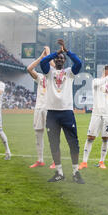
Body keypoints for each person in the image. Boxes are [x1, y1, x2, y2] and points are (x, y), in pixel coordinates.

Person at [40, 39, 84, 184]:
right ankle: (59, 172)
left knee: (73, 143)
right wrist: (56, 53)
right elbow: (43, 63)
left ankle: (75, 172)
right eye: (57, 58)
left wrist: (66, 51)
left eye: (61, 58)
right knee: (54, 143)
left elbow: (78, 63)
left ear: (64, 61)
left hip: (66, 112)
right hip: (52, 113)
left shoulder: (69, 72)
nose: (59, 60)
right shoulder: (49, 72)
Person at [79, 63, 108, 170]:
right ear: (104, 71)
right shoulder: (96, 81)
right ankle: (84, 162)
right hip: (96, 113)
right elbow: (101, 81)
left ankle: (102, 161)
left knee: (106, 138)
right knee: (90, 137)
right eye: (107, 70)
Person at [27, 47, 56, 169]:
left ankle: (56, 161)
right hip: (39, 108)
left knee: (52, 136)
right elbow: (29, 69)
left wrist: (48, 54)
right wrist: (41, 57)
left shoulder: (55, 76)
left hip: (50, 109)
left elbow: (54, 67)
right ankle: (40, 160)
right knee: (38, 134)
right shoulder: (40, 77)